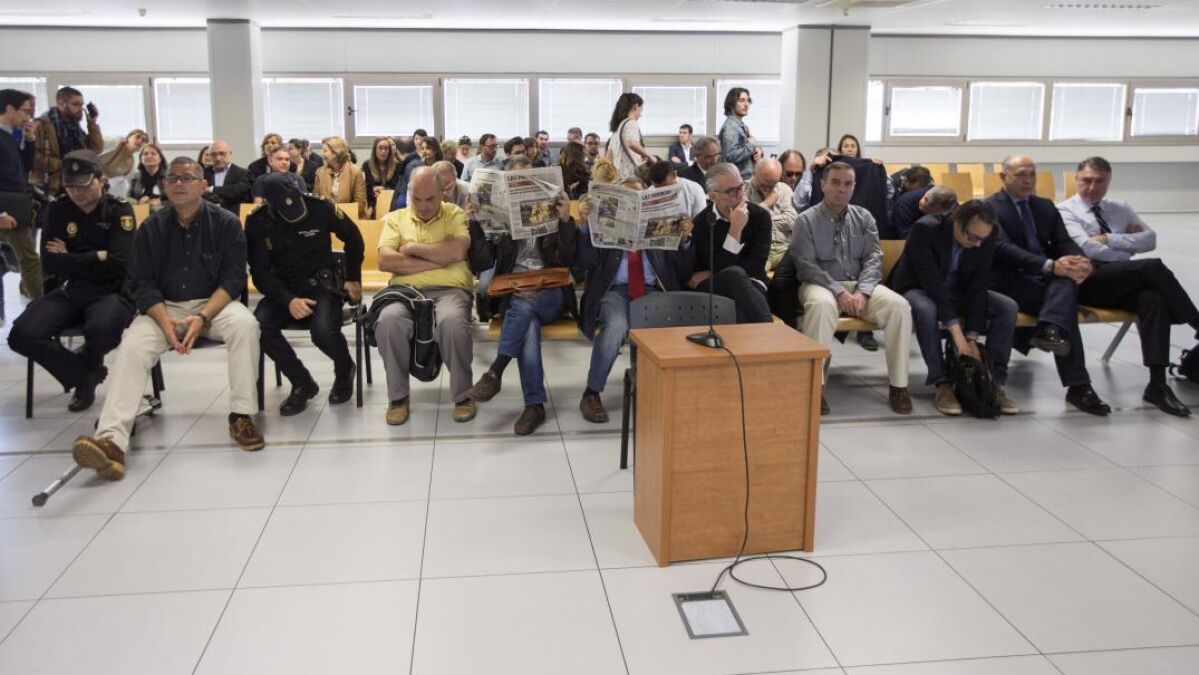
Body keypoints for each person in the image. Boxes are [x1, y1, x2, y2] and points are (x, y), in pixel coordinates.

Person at [71, 156, 264, 481]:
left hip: (213, 305)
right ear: (164, 185)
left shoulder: (226, 223)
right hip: (164, 307)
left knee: (246, 326)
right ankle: (111, 441)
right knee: (133, 344)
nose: (178, 184)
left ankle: (242, 416)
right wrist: (164, 323)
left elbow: (233, 280)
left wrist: (202, 317)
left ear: (203, 185)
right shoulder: (151, 228)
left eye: (186, 178)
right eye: (172, 178)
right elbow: (141, 283)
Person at [1060, 156, 1199, 417]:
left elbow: (1150, 239)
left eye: (1099, 181)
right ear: (1077, 180)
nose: (1092, 187)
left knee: (1153, 299)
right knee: (1152, 267)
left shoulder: (1120, 208)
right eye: (1086, 181)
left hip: (1122, 278)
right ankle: (1197, 323)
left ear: (1109, 181)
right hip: (1089, 280)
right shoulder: (1065, 211)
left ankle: (1157, 385)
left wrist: (1108, 237)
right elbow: (1086, 248)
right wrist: (1126, 245)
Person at [8, 150, 135, 411]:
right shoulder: (58, 210)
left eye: (83, 185)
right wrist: (96, 256)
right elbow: (50, 263)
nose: (77, 192)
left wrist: (72, 257)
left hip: (111, 291)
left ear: (101, 180)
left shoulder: (119, 210)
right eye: (71, 186)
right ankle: (83, 376)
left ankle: (85, 368)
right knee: (22, 334)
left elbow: (119, 264)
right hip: (71, 289)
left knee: (101, 331)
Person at [987, 154, 1110, 416]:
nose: (1028, 180)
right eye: (1021, 174)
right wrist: (1050, 265)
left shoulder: (1044, 206)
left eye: (1032, 174)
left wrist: (1082, 261)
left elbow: (1063, 241)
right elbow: (1002, 249)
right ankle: (1078, 385)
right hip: (1009, 280)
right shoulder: (989, 207)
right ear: (1003, 176)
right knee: (1063, 305)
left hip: (1046, 279)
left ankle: (1051, 329)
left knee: (1065, 286)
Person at [791, 161, 913, 415]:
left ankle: (899, 385)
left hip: (859, 284)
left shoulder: (864, 217)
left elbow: (873, 257)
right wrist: (839, 292)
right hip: (820, 285)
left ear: (854, 187)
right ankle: (815, 386)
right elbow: (806, 265)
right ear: (823, 185)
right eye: (835, 183)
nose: (842, 189)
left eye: (848, 184)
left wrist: (863, 291)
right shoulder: (805, 220)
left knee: (900, 307)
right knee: (821, 307)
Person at [575, 177, 696, 423]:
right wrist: (586, 226)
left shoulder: (660, 224)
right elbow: (584, 263)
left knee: (659, 325)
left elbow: (683, 270)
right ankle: (592, 392)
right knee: (616, 326)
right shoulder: (604, 222)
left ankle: (653, 389)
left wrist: (685, 238)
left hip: (652, 291)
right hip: (614, 290)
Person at [887, 200, 1020, 416]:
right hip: (918, 287)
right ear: (957, 222)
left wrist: (972, 337)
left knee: (1007, 307)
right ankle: (942, 383)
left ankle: (992, 380)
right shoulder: (925, 229)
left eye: (982, 239)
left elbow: (979, 285)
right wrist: (957, 334)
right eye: (973, 237)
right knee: (927, 309)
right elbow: (932, 284)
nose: (978, 244)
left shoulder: (986, 235)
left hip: (959, 291)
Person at [247, 174, 364, 415]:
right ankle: (302, 382)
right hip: (283, 289)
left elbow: (354, 238)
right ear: (268, 203)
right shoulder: (257, 221)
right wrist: (288, 300)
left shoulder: (320, 207)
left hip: (322, 285)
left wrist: (353, 278)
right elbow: (259, 272)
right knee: (258, 326)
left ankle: (345, 370)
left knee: (322, 332)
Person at [467, 191, 579, 435]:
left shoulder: (554, 212)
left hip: (550, 291)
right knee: (527, 323)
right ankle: (534, 405)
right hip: (514, 290)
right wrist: (475, 223)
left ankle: (496, 370)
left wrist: (565, 221)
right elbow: (482, 263)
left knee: (523, 307)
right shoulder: (503, 220)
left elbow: (569, 260)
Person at [375, 166, 476, 426]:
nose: (423, 206)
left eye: (430, 199)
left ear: (443, 192)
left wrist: (411, 248)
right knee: (388, 322)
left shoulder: (454, 214)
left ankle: (464, 395)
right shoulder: (396, 218)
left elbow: (457, 251)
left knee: (452, 323)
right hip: (405, 293)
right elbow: (386, 261)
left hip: (450, 290)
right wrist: (437, 259)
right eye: (416, 199)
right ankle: (398, 398)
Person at [688, 163, 772, 324]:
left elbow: (756, 265)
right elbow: (713, 264)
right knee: (734, 274)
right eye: (731, 191)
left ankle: (765, 331)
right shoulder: (702, 222)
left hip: (752, 281)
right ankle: (769, 329)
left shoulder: (760, 216)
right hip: (715, 285)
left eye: (740, 187)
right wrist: (735, 230)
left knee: (738, 313)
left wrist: (713, 271)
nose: (739, 195)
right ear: (713, 197)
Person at [0, 88, 41, 312]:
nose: (27, 116)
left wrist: (30, 139)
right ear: (9, 109)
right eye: (24, 111)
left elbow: (24, 169)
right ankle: (42, 307)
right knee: (29, 259)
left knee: (26, 259)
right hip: (6, 210)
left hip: (15, 206)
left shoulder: (9, 136)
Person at [31, 86, 104, 196]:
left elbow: (96, 150)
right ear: (61, 104)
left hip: (77, 182)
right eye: (75, 104)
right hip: (50, 186)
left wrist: (92, 123)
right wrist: (65, 164)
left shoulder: (76, 128)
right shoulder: (41, 125)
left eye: (81, 105)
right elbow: (33, 157)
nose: (80, 109)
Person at [748, 158, 798, 271]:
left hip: (785, 247)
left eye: (772, 184)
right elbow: (748, 222)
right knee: (755, 275)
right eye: (764, 183)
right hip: (759, 248)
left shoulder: (784, 189)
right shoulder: (743, 190)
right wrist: (767, 203)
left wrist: (763, 219)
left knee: (800, 272)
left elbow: (792, 221)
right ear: (754, 174)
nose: (767, 188)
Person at [314, 136, 368, 218]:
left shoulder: (355, 172)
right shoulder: (320, 172)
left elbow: (360, 204)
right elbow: (315, 199)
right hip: (325, 217)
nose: (323, 154)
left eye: (325, 151)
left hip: (349, 219)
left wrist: (337, 214)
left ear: (336, 152)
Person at [605, 93, 654, 180]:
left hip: (618, 175)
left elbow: (608, 157)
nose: (640, 115)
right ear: (636, 106)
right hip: (630, 175)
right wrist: (649, 156)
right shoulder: (631, 122)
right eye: (641, 109)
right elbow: (632, 143)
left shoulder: (617, 129)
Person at [719, 87, 762, 180]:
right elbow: (729, 156)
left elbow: (744, 146)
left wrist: (756, 148)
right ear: (731, 104)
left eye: (748, 101)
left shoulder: (740, 125)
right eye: (742, 100)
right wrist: (751, 145)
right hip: (737, 180)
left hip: (745, 178)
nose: (746, 104)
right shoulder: (730, 127)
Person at [202, 140, 253, 213]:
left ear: (230, 153)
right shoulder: (203, 173)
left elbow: (237, 192)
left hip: (234, 214)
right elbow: (200, 193)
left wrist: (211, 189)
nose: (218, 158)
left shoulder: (243, 173)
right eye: (214, 154)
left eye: (222, 153)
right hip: (208, 213)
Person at [891, 185, 957, 240]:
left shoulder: (950, 203)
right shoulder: (904, 205)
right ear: (925, 199)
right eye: (932, 213)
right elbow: (906, 236)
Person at [97, 129, 148, 198]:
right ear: (128, 137)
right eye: (137, 137)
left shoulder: (131, 165)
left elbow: (126, 185)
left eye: (143, 140)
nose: (140, 141)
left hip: (104, 189)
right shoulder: (115, 142)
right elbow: (95, 144)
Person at [363, 137, 401, 215]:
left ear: (389, 151)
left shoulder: (397, 165)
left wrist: (384, 190)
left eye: (386, 148)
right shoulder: (367, 165)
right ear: (375, 150)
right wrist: (373, 205)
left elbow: (396, 187)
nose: (383, 151)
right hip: (371, 199)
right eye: (380, 148)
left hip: (390, 201)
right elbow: (368, 187)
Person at [128, 143, 168, 207]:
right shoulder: (135, 177)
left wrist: (161, 202)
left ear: (160, 159)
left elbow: (177, 199)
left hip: (163, 210)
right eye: (145, 154)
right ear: (141, 159)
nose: (149, 156)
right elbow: (129, 198)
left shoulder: (169, 177)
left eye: (153, 154)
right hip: (141, 209)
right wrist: (138, 202)